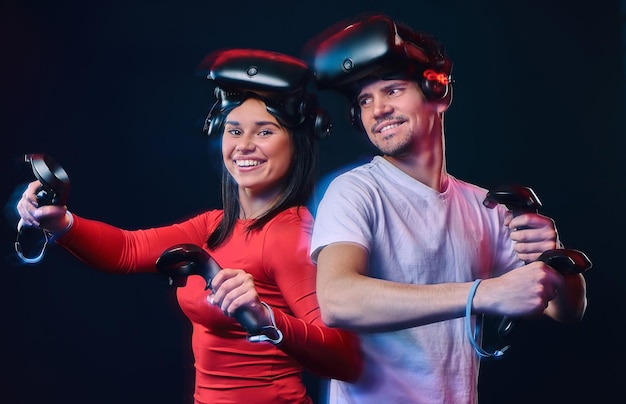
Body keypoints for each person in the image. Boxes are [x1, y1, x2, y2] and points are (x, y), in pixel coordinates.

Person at [15, 48, 362, 404]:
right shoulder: (215, 226)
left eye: (265, 132)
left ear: (296, 142)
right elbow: (126, 250)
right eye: (235, 130)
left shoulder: (289, 234)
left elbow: (345, 358)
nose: (244, 145)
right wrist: (61, 222)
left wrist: (265, 317)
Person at [302, 13, 588, 403]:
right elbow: (337, 300)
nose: (377, 109)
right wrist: (481, 294)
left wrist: (550, 257)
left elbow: (566, 310)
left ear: (437, 92)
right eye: (364, 100)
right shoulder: (354, 191)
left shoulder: (484, 206)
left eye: (392, 90)